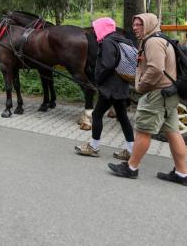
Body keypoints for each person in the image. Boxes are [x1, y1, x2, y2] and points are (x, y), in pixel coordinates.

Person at [108, 13, 187, 186]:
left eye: (139, 24)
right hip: (168, 94)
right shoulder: (159, 38)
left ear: (149, 24)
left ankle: (131, 168)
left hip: (157, 94)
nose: (135, 27)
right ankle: (182, 173)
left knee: (144, 130)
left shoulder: (152, 42)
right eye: (134, 24)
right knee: (173, 132)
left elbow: (156, 69)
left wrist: (141, 86)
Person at [75, 17, 135, 159]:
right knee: (123, 117)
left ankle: (93, 147)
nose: (95, 31)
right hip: (121, 85)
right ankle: (131, 150)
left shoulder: (108, 42)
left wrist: (98, 80)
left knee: (96, 115)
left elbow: (108, 65)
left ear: (103, 28)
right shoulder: (121, 40)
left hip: (110, 88)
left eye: (96, 28)